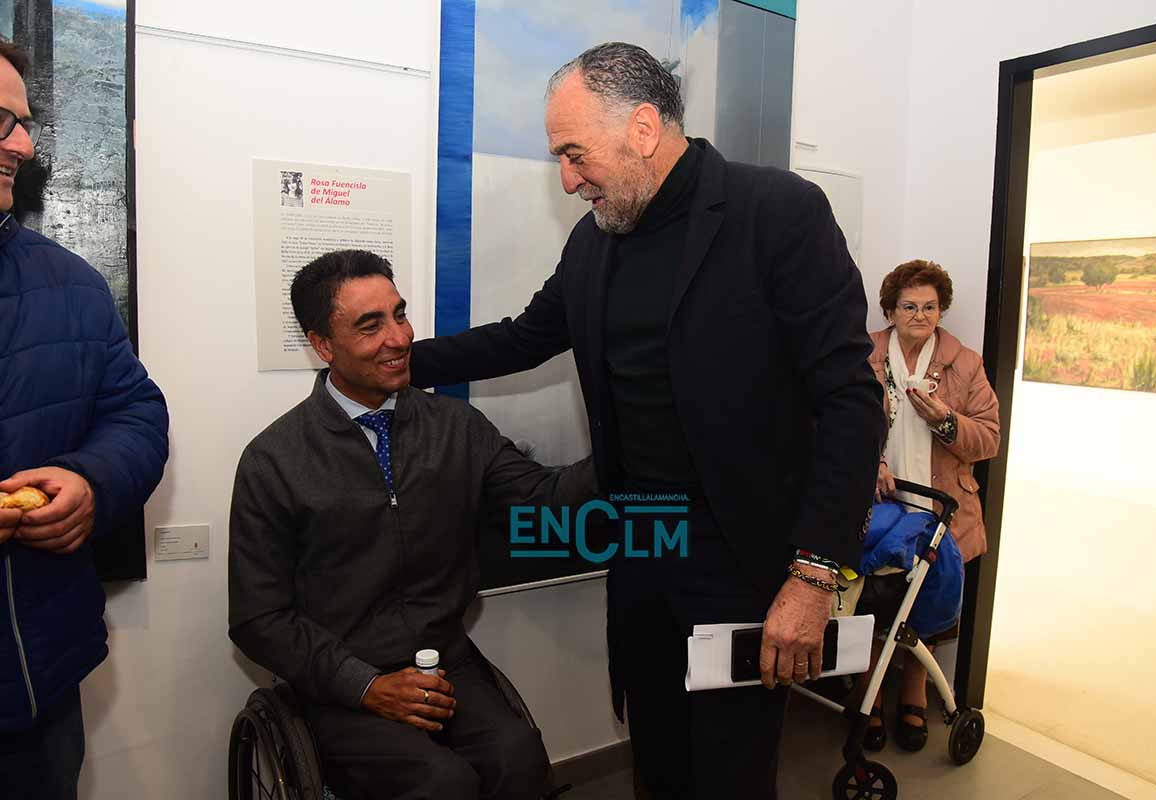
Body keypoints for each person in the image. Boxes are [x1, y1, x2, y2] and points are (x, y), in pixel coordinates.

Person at [410, 43, 886, 798]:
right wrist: (398, 362)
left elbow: (851, 401)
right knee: (658, 756)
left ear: (640, 128)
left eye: (574, 154)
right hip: (641, 543)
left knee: (730, 772)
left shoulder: (776, 213)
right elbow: (524, 337)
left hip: (741, 560)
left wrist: (813, 575)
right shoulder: (594, 241)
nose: (567, 180)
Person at [228, 249, 596, 800]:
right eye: (370, 325)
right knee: (440, 784)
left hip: (445, 662)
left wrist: (622, 446)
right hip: (340, 679)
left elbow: (544, 498)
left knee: (519, 759)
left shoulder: (456, 427)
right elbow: (259, 619)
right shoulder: (274, 460)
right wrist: (366, 685)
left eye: (399, 315)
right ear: (323, 345)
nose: (399, 338)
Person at [0, 40, 170, 800]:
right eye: (1, 120)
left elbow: (135, 412)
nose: (23, 146)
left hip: (40, 681)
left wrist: (91, 482)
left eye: (24, 123)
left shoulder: (70, 284)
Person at [863, 258, 999, 751]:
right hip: (880, 502)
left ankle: (914, 694)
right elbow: (831, 421)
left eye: (929, 307)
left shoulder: (965, 363)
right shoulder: (864, 354)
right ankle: (869, 694)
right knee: (871, 601)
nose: (920, 315)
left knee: (924, 602)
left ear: (941, 311)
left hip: (940, 508)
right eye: (909, 306)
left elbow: (988, 439)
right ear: (890, 311)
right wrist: (870, 461)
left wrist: (946, 420)